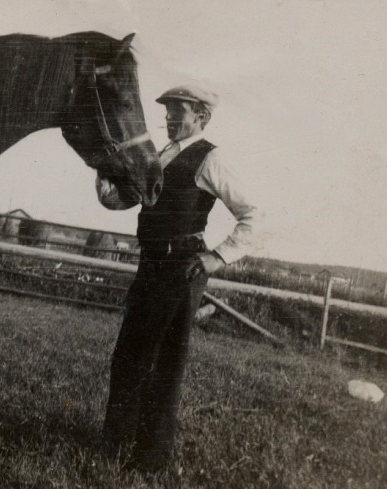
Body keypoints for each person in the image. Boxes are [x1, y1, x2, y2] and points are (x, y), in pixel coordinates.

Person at [96, 84, 264, 473]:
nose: (170, 118)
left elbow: (255, 215)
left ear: (201, 117)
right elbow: (125, 198)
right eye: (168, 111)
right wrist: (105, 176)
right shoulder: (160, 154)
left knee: (163, 363)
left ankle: (150, 459)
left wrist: (217, 257)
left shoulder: (210, 159)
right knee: (129, 355)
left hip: (181, 268)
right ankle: (115, 444)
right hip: (151, 265)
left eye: (179, 111)